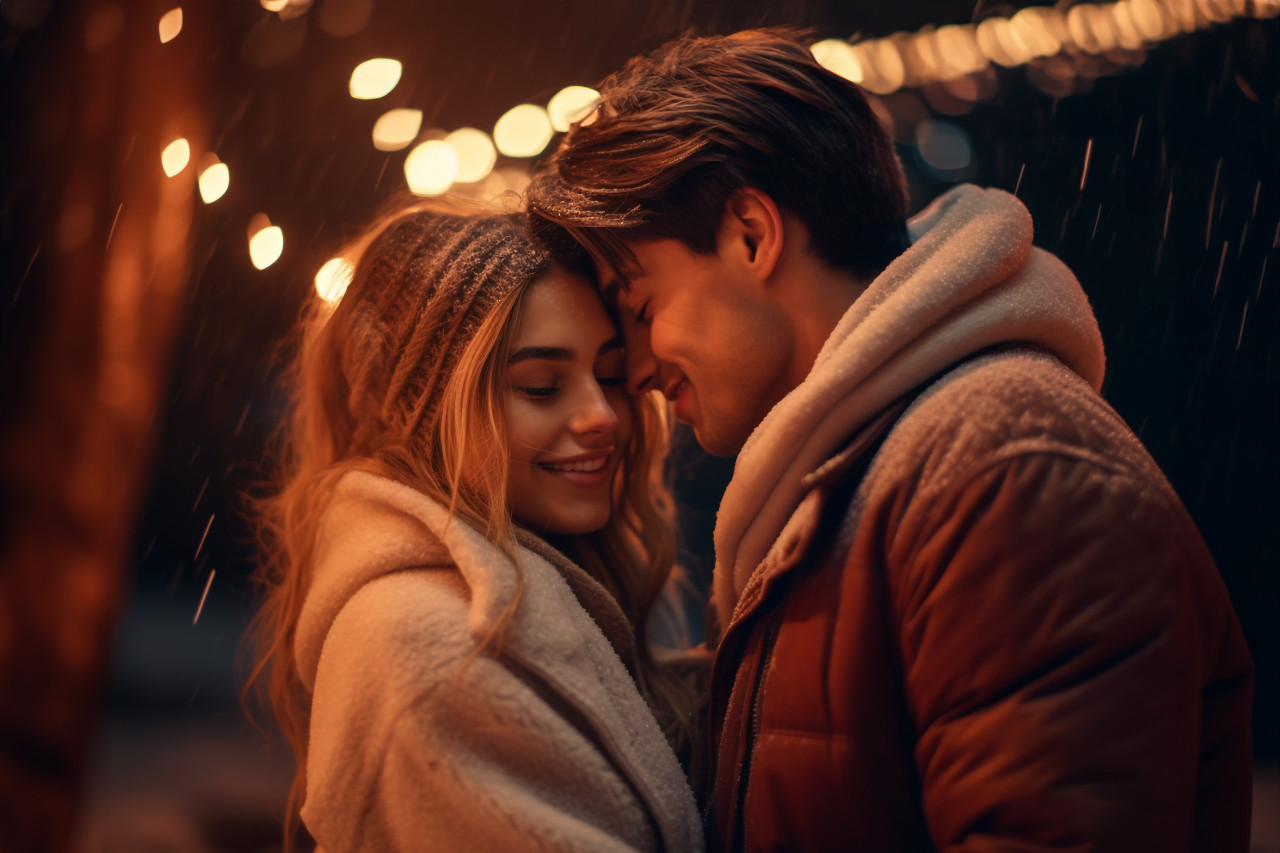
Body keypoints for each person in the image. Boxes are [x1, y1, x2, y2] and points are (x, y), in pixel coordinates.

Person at [526, 28, 1254, 852]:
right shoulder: (855, 481)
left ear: (751, 236)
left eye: (640, 302)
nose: (639, 369)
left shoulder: (1004, 470)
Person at [248, 205, 705, 852]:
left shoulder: (550, 585)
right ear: (423, 409)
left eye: (607, 375)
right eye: (542, 386)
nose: (601, 414)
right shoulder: (424, 649)